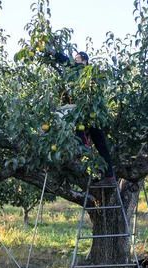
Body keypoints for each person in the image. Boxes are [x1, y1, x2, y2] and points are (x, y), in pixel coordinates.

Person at [49, 50, 115, 185]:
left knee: (92, 139)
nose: (75, 61)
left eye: (77, 58)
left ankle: (83, 150)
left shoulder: (86, 71)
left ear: (84, 61)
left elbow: (67, 62)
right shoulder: (81, 75)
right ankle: (109, 176)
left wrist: (55, 53)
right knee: (99, 143)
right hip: (91, 113)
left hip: (88, 113)